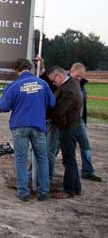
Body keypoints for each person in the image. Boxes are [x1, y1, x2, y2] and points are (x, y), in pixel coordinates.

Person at [0, 58, 56, 202]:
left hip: (19, 126)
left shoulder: (13, 86)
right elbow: (52, 102)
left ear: (17, 70)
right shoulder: (42, 84)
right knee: (42, 158)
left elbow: (4, 106)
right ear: (30, 68)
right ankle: (44, 191)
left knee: (21, 159)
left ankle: (23, 192)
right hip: (38, 125)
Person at [47, 66, 83, 198]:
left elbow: (58, 111)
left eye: (53, 80)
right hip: (72, 125)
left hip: (68, 128)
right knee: (70, 158)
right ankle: (76, 187)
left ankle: (68, 190)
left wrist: (46, 113)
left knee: (68, 159)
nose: (53, 83)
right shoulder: (72, 82)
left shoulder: (69, 90)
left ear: (59, 76)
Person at [69, 63, 102, 182]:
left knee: (85, 145)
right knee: (56, 146)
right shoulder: (64, 84)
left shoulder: (82, 85)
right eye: (77, 76)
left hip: (80, 120)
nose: (79, 78)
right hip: (66, 122)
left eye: (81, 76)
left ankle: (87, 171)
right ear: (71, 72)